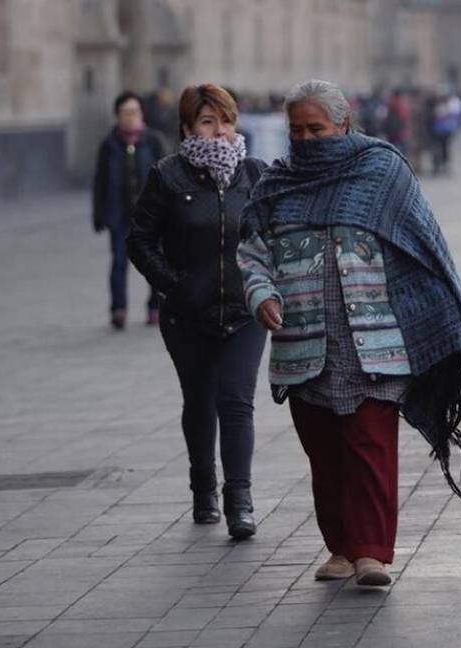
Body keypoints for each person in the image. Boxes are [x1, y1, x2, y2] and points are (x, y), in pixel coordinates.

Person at [237, 79, 461, 587]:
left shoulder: (381, 170)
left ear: (342, 125)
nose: (305, 140)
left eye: (316, 129)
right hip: (303, 343)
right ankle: (340, 549)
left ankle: (371, 552)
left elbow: (418, 242)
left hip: (375, 341)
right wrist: (260, 294)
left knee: (369, 446)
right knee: (325, 454)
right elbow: (253, 252)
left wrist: (430, 311)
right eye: (297, 130)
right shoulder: (275, 186)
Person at [127, 84, 268, 538]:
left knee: (237, 401)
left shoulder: (255, 174)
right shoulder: (168, 176)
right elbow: (140, 240)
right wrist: (172, 284)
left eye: (226, 120)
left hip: (244, 312)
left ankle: (240, 500)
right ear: (188, 127)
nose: (220, 131)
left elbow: (273, 236)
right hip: (187, 314)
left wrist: (268, 286)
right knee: (200, 401)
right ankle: (203, 486)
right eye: (208, 122)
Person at [92, 91, 166, 330]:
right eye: (125, 112)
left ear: (141, 113)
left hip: (151, 215)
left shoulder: (154, 140)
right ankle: (119, 309)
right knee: (119, 262)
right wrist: (99, 214)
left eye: (134, 111)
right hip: (120, 214)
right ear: (118, 116)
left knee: (154, 260)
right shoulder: (109, 144)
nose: (130, 117)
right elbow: (100, 181)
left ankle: (155, 306)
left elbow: (167, 177)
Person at [431, 85, 461, 175]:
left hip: (447, 129)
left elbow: (456, 116)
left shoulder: (453, 103)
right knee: (439, 147)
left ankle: (445, 164)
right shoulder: (437, 104)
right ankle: (438, 165)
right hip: (438, 129)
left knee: (445, 147)